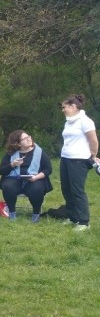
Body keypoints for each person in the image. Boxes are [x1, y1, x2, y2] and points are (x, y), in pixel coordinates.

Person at [59, 94, 100, 231]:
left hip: (79, 160)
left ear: (73, 106)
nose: (63, 109)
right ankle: (72, 217)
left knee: (77, 190)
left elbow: (93, 141)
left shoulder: (85, 121)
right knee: (66, 189)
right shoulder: (68, 121)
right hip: (65, 158)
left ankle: (84, 222)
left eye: (64, 107)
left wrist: (92, 156)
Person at [0, 130, 53, 223]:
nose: (29, 139)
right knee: (8, 186)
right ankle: (12, 212)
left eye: (29, 137)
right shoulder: (11, 153)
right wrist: (13, 164)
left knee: (37, 188)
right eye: (25, 138)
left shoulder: (39, 152)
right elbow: (1, 171)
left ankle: (36, 213)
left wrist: (36, 177)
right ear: (18, 143)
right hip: (15, 178)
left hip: (34, 178)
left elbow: (48, 169)